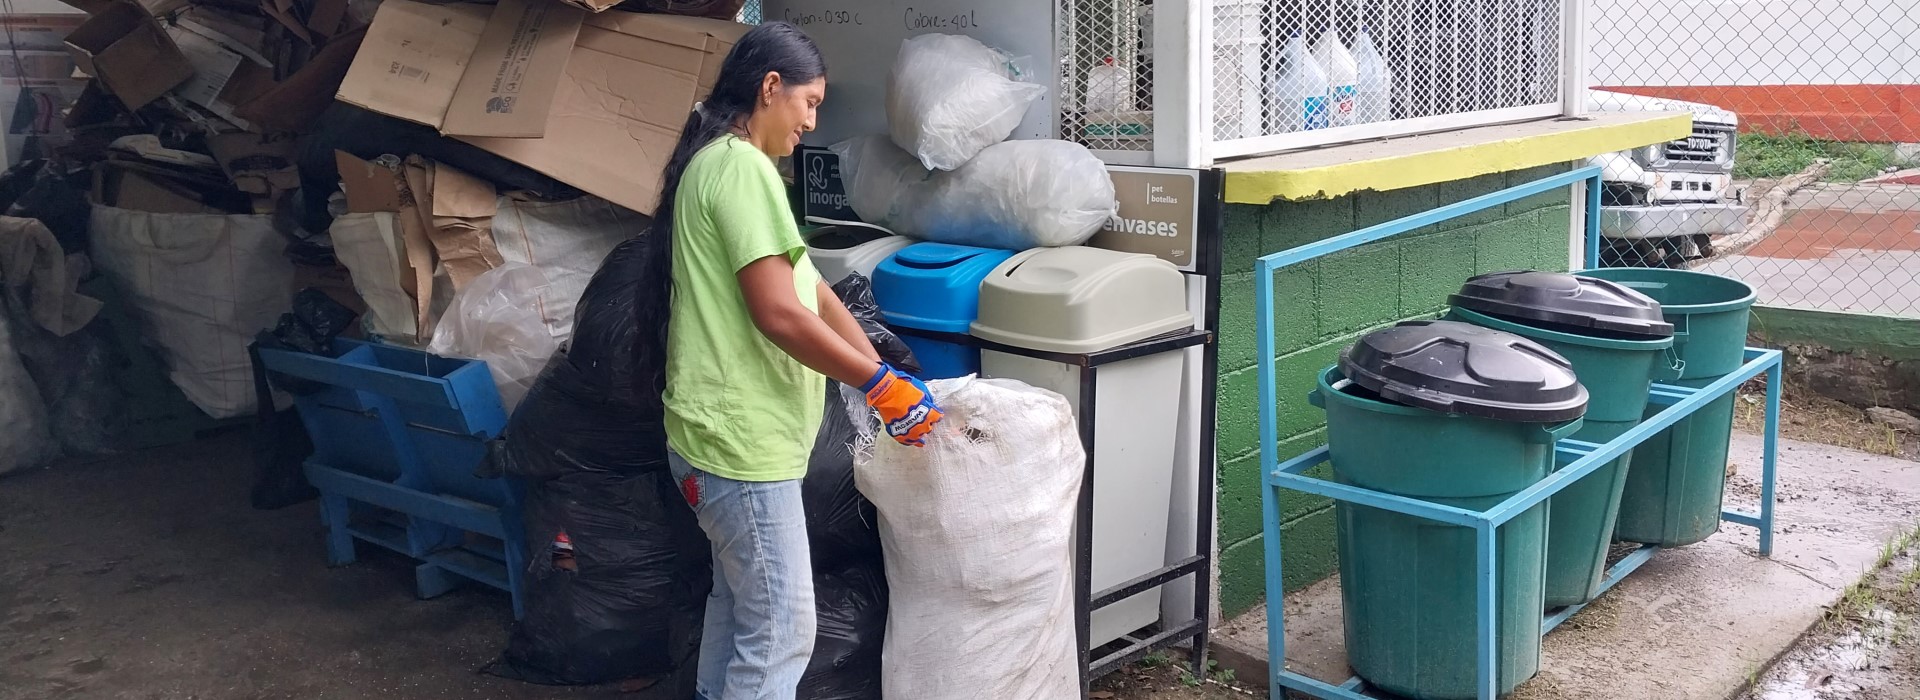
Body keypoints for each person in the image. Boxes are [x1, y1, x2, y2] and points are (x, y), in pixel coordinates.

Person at [635, 21, 943, 700]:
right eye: (809, 102)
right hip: (740, 445)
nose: (811, 122)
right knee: (783, 629)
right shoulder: (740, 168)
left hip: (711, 438)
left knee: (739, 606)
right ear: (770, 88)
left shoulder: (718, 163)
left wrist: (884, 382)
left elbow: (816, 294)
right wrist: (879, 384)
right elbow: (779, 313)